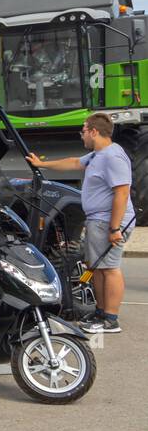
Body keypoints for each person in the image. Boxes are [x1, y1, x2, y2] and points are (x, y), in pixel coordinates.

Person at [28, 113, 130, 333]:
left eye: (83, 131)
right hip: (98, 220)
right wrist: (41, 164)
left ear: (94, 131)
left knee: (110, 269)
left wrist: (115, 227)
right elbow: (74, 162)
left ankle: (111, 319)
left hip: (108, 221)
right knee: (98, 269)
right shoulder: (97, 155)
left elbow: (121, 193)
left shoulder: (113, 157)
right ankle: (101, 313)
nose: (81, 135)